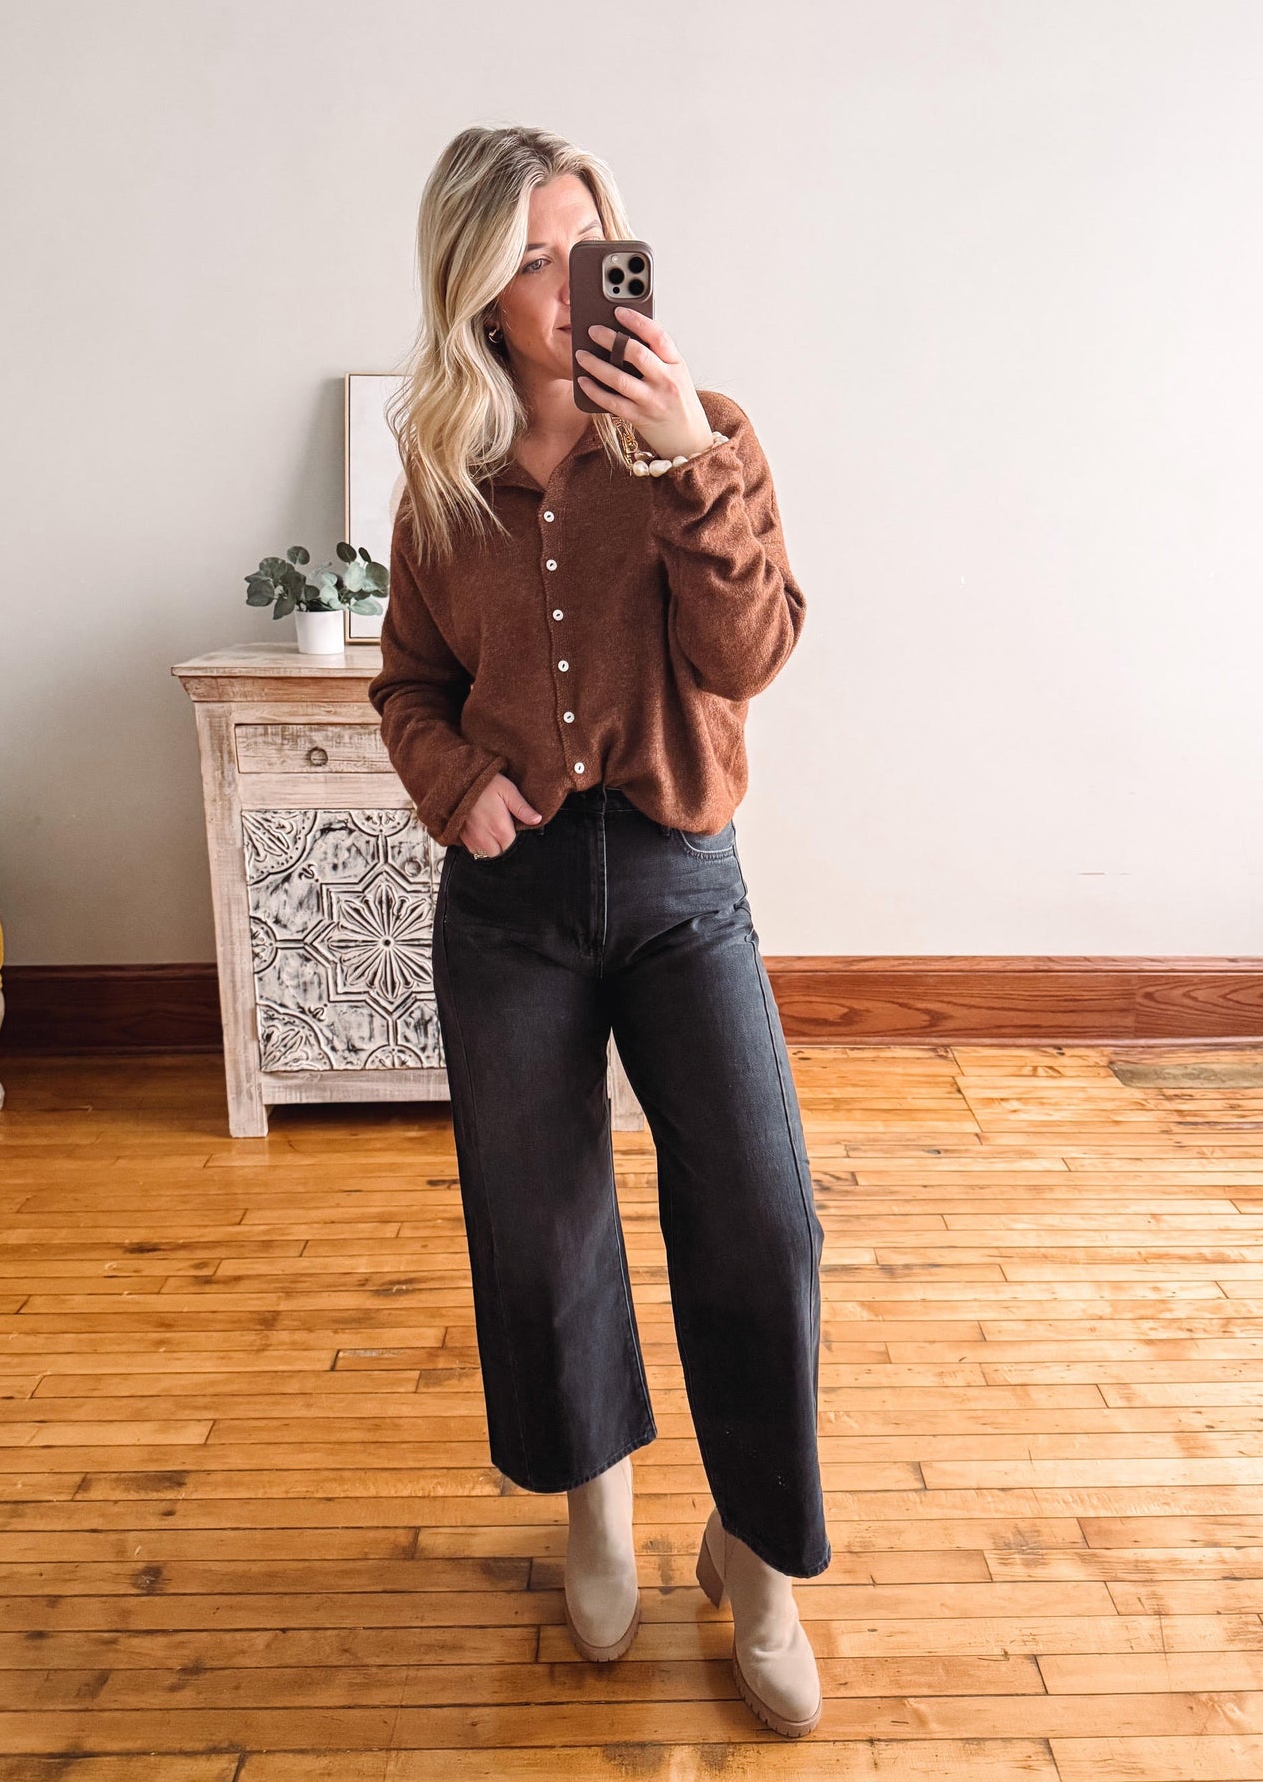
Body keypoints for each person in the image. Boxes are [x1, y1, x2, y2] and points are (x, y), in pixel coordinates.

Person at [368, 123, 829, 1738]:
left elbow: (752, 652)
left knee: (761, 1224)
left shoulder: (704, 438)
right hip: (510, 902)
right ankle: (597, 1511)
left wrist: (690, 449)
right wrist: (455, 791)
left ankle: (758, 1558)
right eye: (531, 257)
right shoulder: (441, 477)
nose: (568, 284)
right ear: (476, 291)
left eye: (587, 247)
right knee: (541, 1223)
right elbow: (407, 684)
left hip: (681, 879)